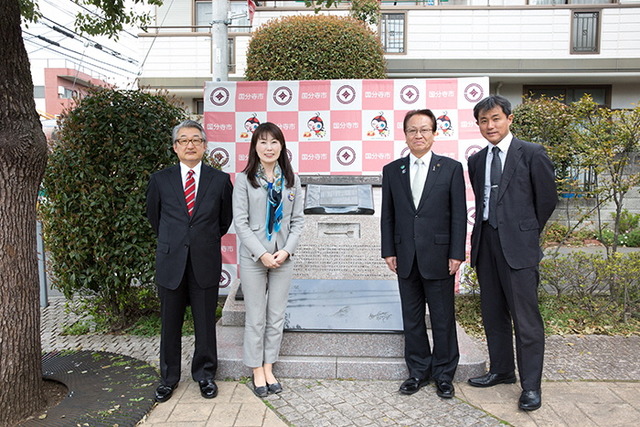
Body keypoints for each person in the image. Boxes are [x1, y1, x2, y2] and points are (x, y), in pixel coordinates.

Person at [467, 95, 557, 411]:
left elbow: (546, 201)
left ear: (509, 119)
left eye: (495, 118)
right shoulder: (476, 161)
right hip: (486, 245)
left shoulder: (531, 153)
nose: (490, 125)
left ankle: (531, 387)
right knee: (493, 314)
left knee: (526, 320)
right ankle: (502, 370)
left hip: (519, 248)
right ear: (478, 125)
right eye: (483, 120)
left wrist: (525, 232)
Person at [381, 109, 467, 399]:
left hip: (440, 257)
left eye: (424, 130)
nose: (418, 135)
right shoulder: (393, 170)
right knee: (412, 318)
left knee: (443, 318)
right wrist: (388, 251)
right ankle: (417, 371)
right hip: (405, 256)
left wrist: (457, 253)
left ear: (434, 133)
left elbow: (459, 215)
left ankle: (444, 374)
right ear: (404, 134)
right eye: (412, 130)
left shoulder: (451, 168)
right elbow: (388, 215)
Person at [146, 120, 233, 402]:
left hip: (205, 261)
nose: (190, 145)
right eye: (183, 140)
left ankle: (205, 375)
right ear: (175, 147)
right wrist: (177, 241)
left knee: (205, 322)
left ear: (205, 146)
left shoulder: (220, 180)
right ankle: (169, 378)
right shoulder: (160, 180)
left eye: (196, 140)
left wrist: (200, 241)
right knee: (169, 324)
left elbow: (224, 221)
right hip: (172, 262)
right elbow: (155, 219)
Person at [233, 122, 304, 397]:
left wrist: (285, 251)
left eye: (274, 142)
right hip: (254, 257)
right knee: (255, 316)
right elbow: (240, 222)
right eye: (262, 142)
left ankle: (268, 365)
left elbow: (298, 221)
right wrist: (261, 253)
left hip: (283, 256)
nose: (269, 147)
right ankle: (256, 370)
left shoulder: (291, 180)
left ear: (282, 146)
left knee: (276, 316)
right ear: (254, 147)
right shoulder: (244, 180)